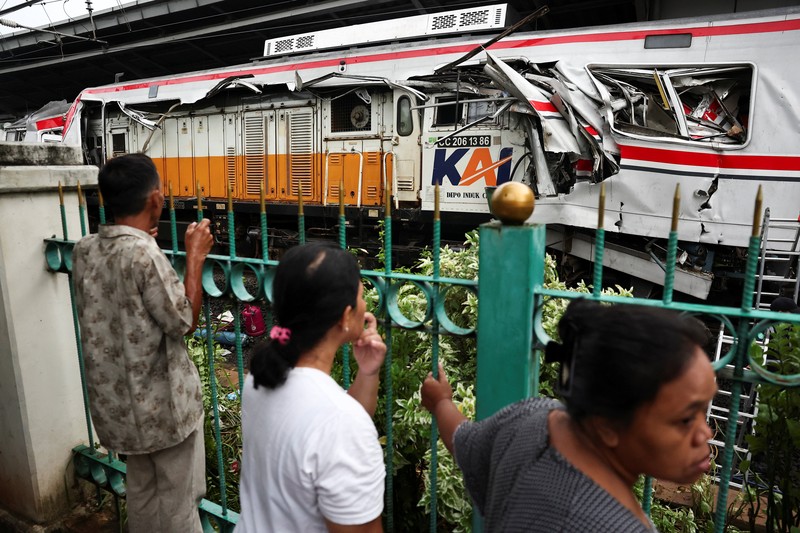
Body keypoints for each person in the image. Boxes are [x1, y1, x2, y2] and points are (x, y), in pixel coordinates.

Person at [421, 299, 717, 532]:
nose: (705, 433)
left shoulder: (530, 419)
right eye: (685, 419)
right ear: (606, 425)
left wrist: (441, 402)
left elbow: (465, 441)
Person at [73, 153, 213, 532]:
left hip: (118, 412)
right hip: (165, 413)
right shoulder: (143, 254)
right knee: (181, 505)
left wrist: (141, 242)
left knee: (142, 498)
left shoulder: (84, 251)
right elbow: (183, 322)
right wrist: (195, 258)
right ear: (154, 199)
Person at [235, 243, 386, 533]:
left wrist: (368, 373)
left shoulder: (260, 379)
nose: (365, 306)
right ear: (345, 317)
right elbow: (337, 428)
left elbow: (331, 427)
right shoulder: (339, 422)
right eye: (361, 296)